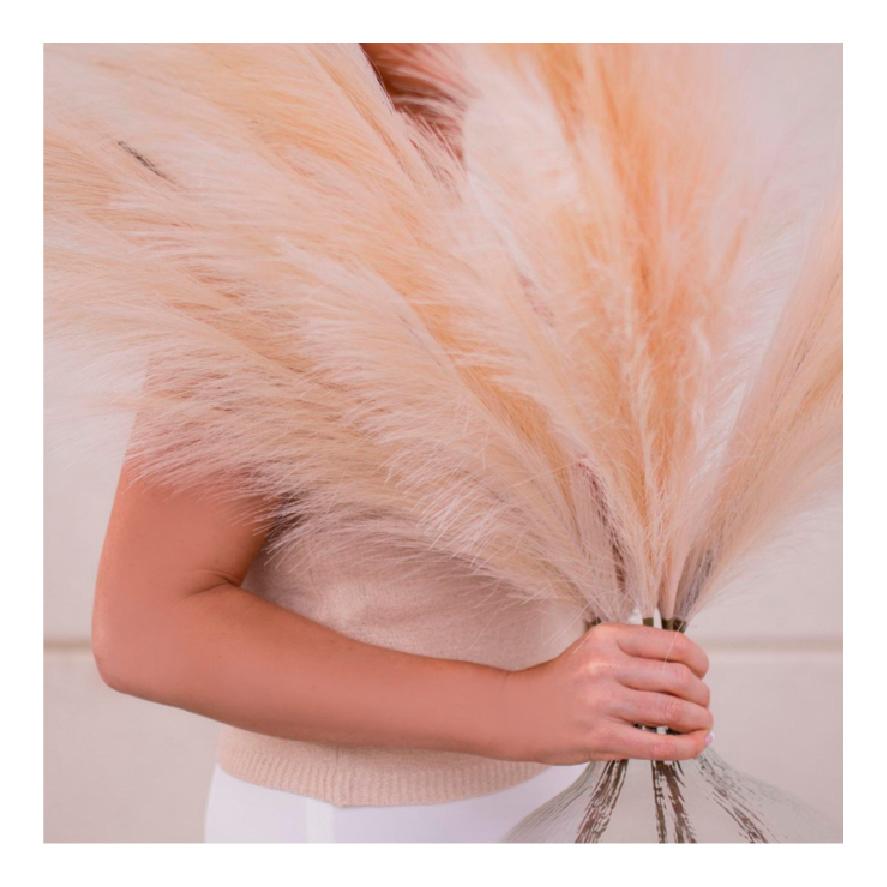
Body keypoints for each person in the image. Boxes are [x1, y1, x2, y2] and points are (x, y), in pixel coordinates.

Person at [93, 455, 714, 842]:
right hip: (361, 823)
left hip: (562, 795)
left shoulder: (575, 284)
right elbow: (144, 628)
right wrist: (516, 704)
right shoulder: (265, 287)